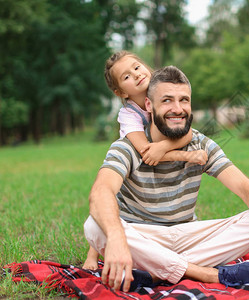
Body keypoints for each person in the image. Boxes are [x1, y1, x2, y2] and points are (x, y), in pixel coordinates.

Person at [84, 66, 249, 292]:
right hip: (142, 236)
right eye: (167, 100)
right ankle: (207, 274)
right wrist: (118, 239)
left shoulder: (201, 143)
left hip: (187, 234)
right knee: (94, 226)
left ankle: (154, 274)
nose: (177, 109)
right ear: (149, 105)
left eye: (184, 100)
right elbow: (101, 192)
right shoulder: (128, 146)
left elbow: (246, 187)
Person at [82, 52, 207, 270]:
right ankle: (92, 256)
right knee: (114, 206)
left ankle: (171, 248)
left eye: (137, 67)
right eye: (127, 76)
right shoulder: (129, 115)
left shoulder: (161, 87)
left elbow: (187, 132)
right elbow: (147, 153)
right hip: (135, 167)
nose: (137, 75)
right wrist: (184, 155)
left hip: (161, 159)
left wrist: (166, 145)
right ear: (120, 91)